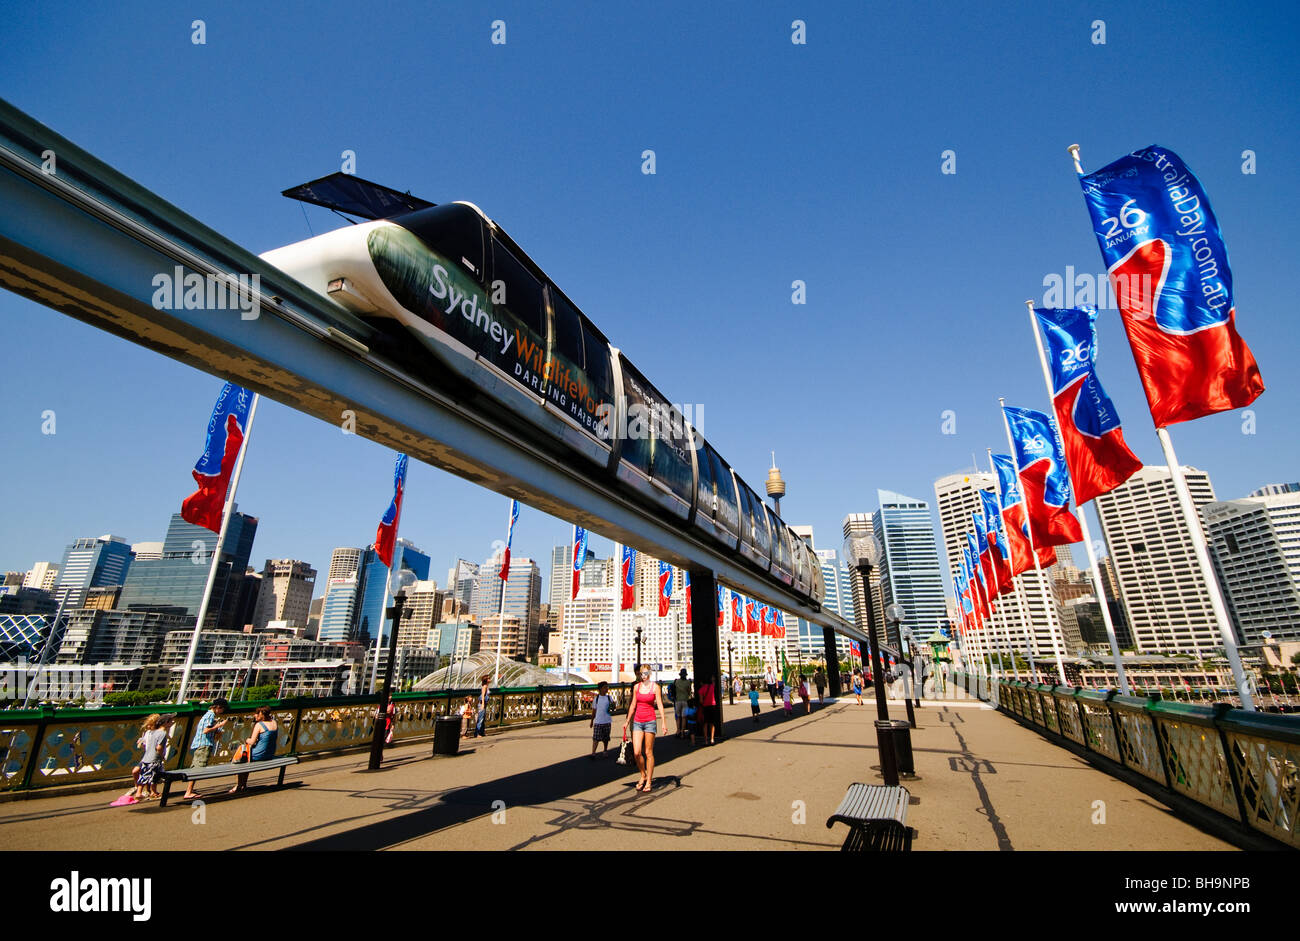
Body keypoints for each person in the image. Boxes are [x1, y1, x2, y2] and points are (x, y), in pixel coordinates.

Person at [622, 665, 667, 792]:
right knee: (636, 752)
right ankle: (643, 774)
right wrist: (627, 721)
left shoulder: (655, 687)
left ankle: (648, 781)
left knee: (648, 752)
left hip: (650, 721)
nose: (644, 675)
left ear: (650, 673)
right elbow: (633, 705)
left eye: (646, 673)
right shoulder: (637, 687)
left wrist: (663, 722)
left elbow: (659, 704)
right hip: (637, 721)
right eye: (642, 673)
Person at [182, 697, 229, 800]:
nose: (223, 711)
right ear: (218, 707)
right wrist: (219, 726)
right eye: (223, 709)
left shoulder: (207, 715)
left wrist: (216, 730)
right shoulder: (210, 716)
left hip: (201, 743)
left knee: (196, 766)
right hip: (204, 744)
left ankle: (190, 790)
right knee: (198, 767)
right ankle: (188, 791)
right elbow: (206, 730)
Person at [229, 706, 277, 794]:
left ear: (261, 714)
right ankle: (243, 785)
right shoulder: (274, 722)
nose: (254, 715)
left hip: (259, 754)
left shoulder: (259, 725)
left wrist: (246, 739)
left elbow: (252, 742)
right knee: (246, 757)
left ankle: (239, 785)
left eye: (256, 713)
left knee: (240, 760)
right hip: (270, 753)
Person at [590, 681, 614, 759]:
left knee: (606, 738)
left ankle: (605, 750)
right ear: (600, 689)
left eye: (607, 687)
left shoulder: (609, 697)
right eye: (605, 687)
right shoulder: (596, 699)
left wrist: (613, 706)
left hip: (607, 720)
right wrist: (591, 721)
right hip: (598, 721)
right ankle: (593, 752)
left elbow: (613, 708)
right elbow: (594, 711)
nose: (606, 689)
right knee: (596, 738)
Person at [698, 674, 718, 745]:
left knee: (705, 724)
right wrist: (713, 679)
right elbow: (714, 682)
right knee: (712, 723)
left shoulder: (701, 690)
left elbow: (701, 701)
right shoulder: (712, 686)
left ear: (701, 682)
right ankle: (712, 739)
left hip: (705, 707)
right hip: (712, 706)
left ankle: (706, 740)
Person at [672, 669, 691, 739]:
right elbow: (689, 692)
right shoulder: (688, 682)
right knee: (684, 717)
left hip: (677, 701)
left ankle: (678, 730)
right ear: (686, 675)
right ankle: (683, 732)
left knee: (678, 717)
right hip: (685, 701)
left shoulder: (676, 681)